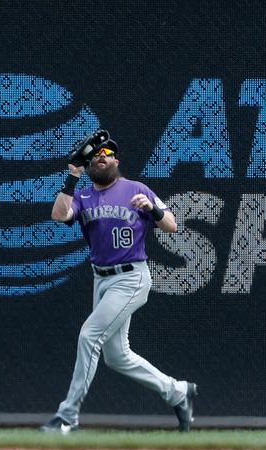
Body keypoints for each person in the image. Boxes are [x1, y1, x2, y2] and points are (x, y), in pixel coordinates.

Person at [40, 136, 197, 433]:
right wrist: (72, 176)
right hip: (102, 280)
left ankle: (67, 417)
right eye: (96, 154)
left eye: (108, 152)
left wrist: (152, 209)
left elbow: (172, 225)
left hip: (131, 277)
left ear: (117, 161)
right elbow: (59, 215)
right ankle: (178, 392)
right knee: (117, 356)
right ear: (88, 165)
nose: (102, 156)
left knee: (89, 336)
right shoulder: (83, 196)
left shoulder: (136, 189)